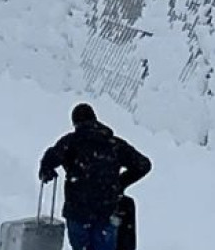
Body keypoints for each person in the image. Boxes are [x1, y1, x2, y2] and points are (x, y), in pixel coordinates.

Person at [39, 103, 152, 250]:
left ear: (75, 123)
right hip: (106, 210)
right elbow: (143, 164)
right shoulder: (114, 144)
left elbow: (50, 157)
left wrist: (46, 170)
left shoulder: (71, 142)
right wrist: (119, 183)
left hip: (77, 211)